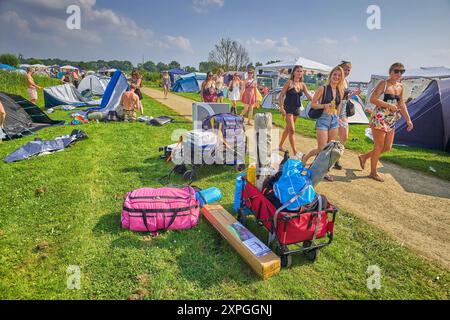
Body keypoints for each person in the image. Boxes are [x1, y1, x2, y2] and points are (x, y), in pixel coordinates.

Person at [358, 63, 413, 182]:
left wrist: (408, 119)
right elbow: (372, 99)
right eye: (396, 71)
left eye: (401, 72)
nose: (399, 74)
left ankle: (364, 157)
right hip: (380, 117)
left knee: (387, 147)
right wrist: (388, 105)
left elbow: (401, 104)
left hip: (391, 119)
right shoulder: (383, 83)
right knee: (379, 146)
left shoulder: (400, 86)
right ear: (390, 72)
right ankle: (373, 172)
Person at [302, 66, 346, 182]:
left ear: (341, 78)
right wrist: (324, 106)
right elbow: (312, 104)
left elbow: (339, 105)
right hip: (323, 119)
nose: (336, 77)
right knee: (322, 148)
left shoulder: (340, 90)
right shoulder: (322, 88)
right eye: (335, 74)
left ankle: (324, 172)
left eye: (339, 75)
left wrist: (338, 116)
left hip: (334, 120)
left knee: (329, 149)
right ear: (331, 75)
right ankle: (306, 157)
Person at [278, 65, 313, 158]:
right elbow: (281, 95)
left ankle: (280, 146)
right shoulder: (289, 82)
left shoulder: (302, 84)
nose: (299, 73)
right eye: (297, 71)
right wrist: (281, 107)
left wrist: (317, 101)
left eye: (301, 71)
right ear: (293, 72)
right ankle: (295, 152)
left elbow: (309, 96)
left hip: (296, 109)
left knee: (288, 129)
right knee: (292, 130)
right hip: (288, 108)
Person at [334, 61, 362, 170]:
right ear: (340, 69)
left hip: (344, 111)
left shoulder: (346, 81)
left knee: (344, 136)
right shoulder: (336, 80)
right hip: (335, 109)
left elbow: (345, 97)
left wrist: (354, 94)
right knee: (331, 136)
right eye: (345, 69)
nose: (347, 71)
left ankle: (335, 157)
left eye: (349, 70)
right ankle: (326, 157)